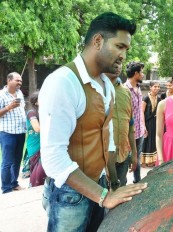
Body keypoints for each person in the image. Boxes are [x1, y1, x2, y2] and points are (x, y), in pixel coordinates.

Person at [39, 12, 147, 231]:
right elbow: (53, 158)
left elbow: (105, 139)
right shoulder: (63, 82)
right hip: (69, 195)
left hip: (98, 185)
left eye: (126, 49)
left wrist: (111, 182)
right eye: (119, 46)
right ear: (98, 41)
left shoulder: (106, 85)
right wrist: (104, 196)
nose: (123, 56)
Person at [105, 63, 137, 190]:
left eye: (119, 62)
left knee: (120, 196)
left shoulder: (125, 92)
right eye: (113, 61)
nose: (117, 65)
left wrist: (134, 153)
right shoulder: (96, 91)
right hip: (103, 161)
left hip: (123, 156)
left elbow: (130, 125)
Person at [0, 72, 26, 194]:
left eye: (20, 81)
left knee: (17, 160)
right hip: (7, 133)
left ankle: (14, 183)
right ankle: (6, 188)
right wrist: (8, 107)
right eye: (17, 80)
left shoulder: (19, 93)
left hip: (20, 132)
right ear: (9, 80)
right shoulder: (1, 95)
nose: (20, 83)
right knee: (7, 161)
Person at [25, 91, 46, 187]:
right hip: (35, 145)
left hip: (44, 144)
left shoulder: (45, 112)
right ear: (36, 102)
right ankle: (34, 186)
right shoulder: (31, 112)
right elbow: (37, 129)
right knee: (37, 169)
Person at [142, 81, 161, 167]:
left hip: (155, 122)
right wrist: (143, 125)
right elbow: (141, 112)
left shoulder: (159, 98)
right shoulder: (146, 98)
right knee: (146, 140)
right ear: (150, 87)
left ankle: (152, 161)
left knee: (153, 140)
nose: (157, 88)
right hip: (147, 122)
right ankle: (144, 161)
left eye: (158, 87)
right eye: (155, 87)